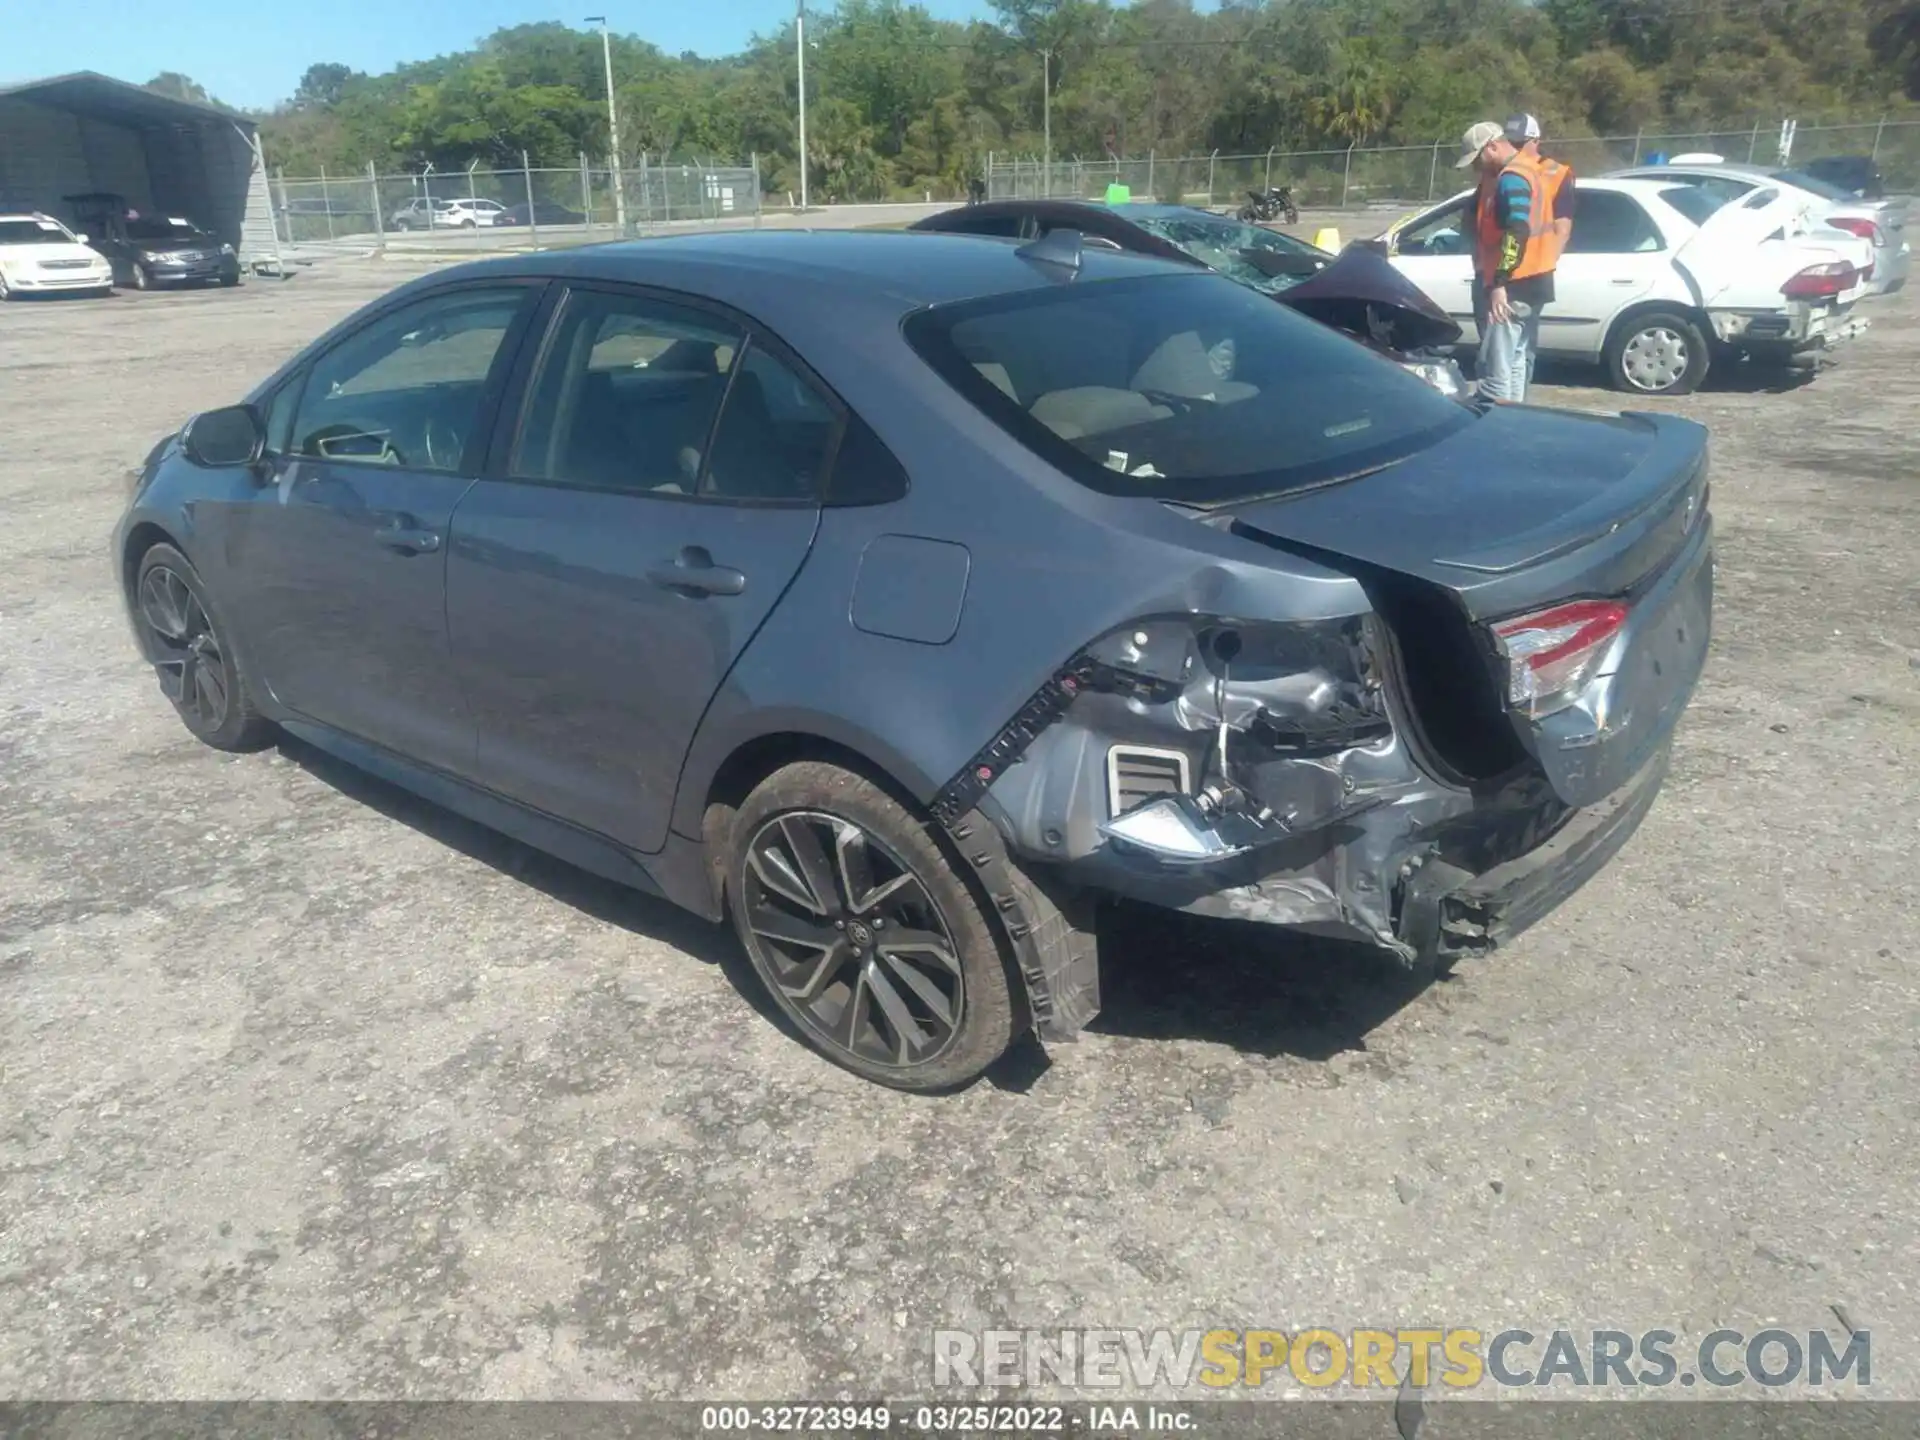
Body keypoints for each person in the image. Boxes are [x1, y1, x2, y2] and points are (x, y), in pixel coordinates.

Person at [1455, 119, 1560, 404]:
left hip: (1513, 285)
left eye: (1478, 159)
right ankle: (1516, 419)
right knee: (1515, 361)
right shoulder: (1531, 169)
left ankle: (1497, 425)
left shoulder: (1511, 177)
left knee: (1496, 370)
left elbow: (1518, 229)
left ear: (1491, 147)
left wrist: (1500, 282)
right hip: (1536, 281)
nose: (1478, 168)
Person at [1503, 113, 1574, 388]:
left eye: (1521, 143)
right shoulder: (1506, 170)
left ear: (1536, 140)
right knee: (1517, 350)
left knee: (1516, 351)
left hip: (1528, 273)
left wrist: (1543, 263)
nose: (1516, 149)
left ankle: (1511, 410)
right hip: (1516, 269)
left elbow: (1562, 228)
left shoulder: (1556, 173)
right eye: (1512, 143)